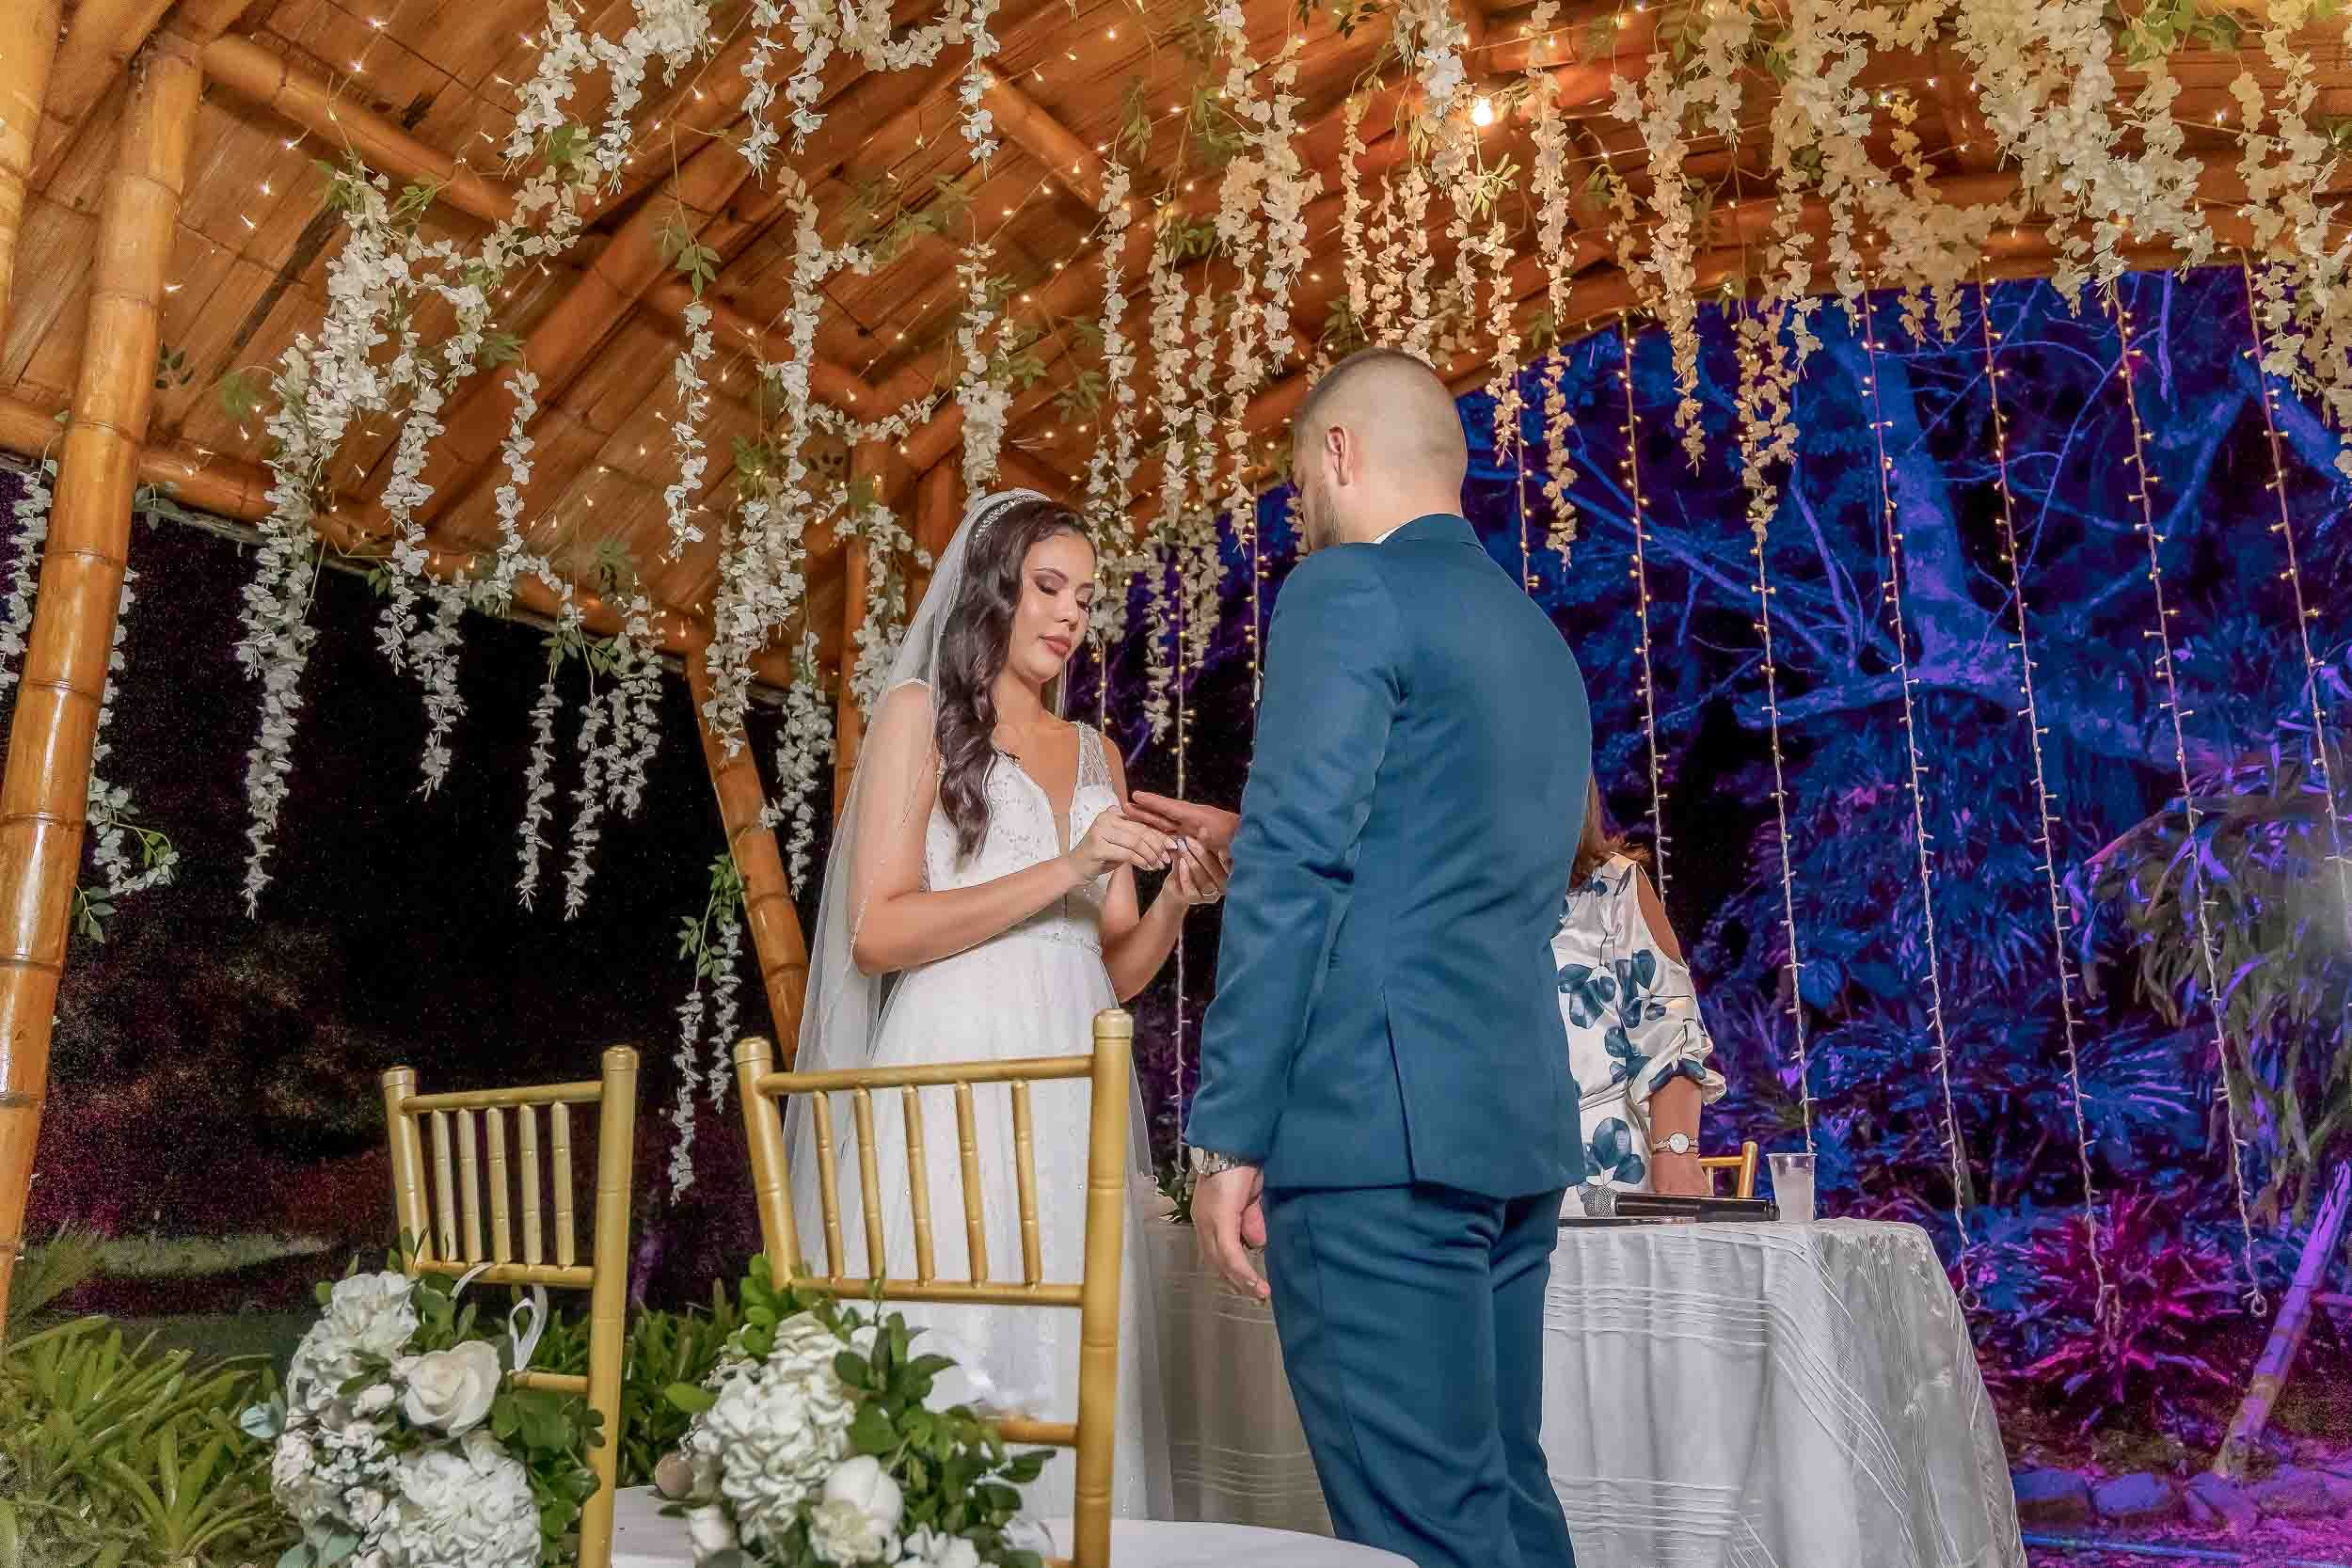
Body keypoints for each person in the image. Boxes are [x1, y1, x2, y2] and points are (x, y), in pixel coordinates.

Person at [1176, 347, 1591, 1568]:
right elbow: (1439, 864)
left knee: (1424, 1540)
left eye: (1303, 473)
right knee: (1509, 1509)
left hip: (1375, 1136)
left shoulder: (1345, 591)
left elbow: (1305, 863)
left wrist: (1232, 1129)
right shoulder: (1539, 644)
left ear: (1341, 452)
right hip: (1510, 1131)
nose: (1303, 505)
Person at [787, 489, 1230, 1521]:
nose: (1070, 614)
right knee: (954, 1311)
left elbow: (1114, 966)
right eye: (1047, 586)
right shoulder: (917, 716)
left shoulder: (1098, 753)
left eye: (1083, 596)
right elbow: (877, 929)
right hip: (954, 1060)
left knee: (1073, 1332)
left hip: (1078, 1075)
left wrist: (1176, 898)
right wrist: (1068, 864)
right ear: (993, 586)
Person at [1553, 780, 1724, 1200]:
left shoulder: (1612, 886)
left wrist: (1676, 1155)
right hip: (1475, 1179)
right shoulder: (1441, 899)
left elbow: (1670, 1038)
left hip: (1605, 1180)